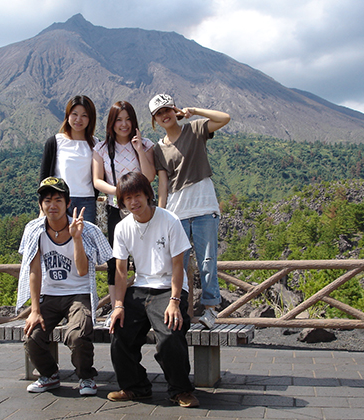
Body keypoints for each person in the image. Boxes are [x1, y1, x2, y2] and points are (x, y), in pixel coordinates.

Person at [107, 172, 199, 408]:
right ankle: (135, 387)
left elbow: (180, 266)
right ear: (122, 202)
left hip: (169, 288)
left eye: (137, 195)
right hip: (139, 288)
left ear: (148, 195)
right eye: (127, 198)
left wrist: (176, 302)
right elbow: (120, 271)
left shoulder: (169, 220)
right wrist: (118, 305)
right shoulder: (122, 227)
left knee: (171, 332)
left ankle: (180, 390)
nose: (133, 202)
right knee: (119, 332)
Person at [15, 177, 112, 395]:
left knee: (77, 335)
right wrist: (34, 310)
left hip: (78, 294)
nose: (52, 205)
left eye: (58, 200)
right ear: (41, 205)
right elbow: (34, 271)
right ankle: (49, 375)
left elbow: (82, 271)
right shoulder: (34, 230)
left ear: (68, 203)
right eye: (47, 200)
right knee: (32, 335)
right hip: (48, 296)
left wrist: (76, 238)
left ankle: (86, 377)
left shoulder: (86, 230)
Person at [149, 93, 231, 329]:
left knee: (207, 261)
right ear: (155, 120)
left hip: (205, 206)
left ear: (175, 110)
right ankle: (180, 311)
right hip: (177, 212)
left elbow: (224, 118)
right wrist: (160, 216)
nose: (165, 115)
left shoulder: (195, 129)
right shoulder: (158, 149)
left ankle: (210, 310)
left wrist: (194, 110)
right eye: (159, 113)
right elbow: (162, 185)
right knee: (178, 264)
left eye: (167, 109)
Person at [92, 101, 156, 308]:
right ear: (111, 122)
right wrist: (119, 193)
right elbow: (97, 180)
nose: (124, 124)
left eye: (128, 119)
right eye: (119, 119)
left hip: (143, 209)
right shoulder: (101, 148)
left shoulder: (146, 144)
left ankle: (145, 306)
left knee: (144, 257)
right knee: (115, 259)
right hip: (115, 209)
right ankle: (116, 306)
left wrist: (138, 149)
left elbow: (149, 176)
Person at [39, 95, 99, 224]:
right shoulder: (55, 142)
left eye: (84, 115)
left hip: (86, 201)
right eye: (74, 114)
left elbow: (98, 176)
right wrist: (43, 207)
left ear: (90, 118)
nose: (79, 119)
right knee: (59, 241)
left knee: (85, 241)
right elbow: (44, 178)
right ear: (67, 115)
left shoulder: (95, 144)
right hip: (59, 199)